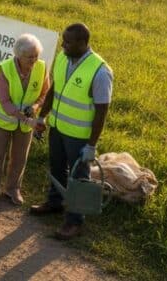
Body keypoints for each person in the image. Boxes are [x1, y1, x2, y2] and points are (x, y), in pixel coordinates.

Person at [30, 23, 113, 241]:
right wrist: (42, 116)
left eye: (68, 42)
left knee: (79, 178)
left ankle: (74, 221)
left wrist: (91, 146)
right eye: (63, 41)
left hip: (79, 136)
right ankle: (54, 202)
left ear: (83, 43)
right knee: (57, 167)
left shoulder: (100, 71)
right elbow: (54, 91)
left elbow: (102, 112)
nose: (63, 45)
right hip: (57, 128)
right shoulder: (62, 58)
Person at [0, 34, 51, 208]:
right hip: (2, 120)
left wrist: (35, 107)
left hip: (26, 123)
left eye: (36, 56)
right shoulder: (5, 69)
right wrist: (28, 120)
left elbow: (45, 94)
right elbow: (5, 102)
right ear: (18, 55)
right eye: (30, 57)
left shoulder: (41, 68)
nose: (34, 60)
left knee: (20, 158)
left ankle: (13, 189)